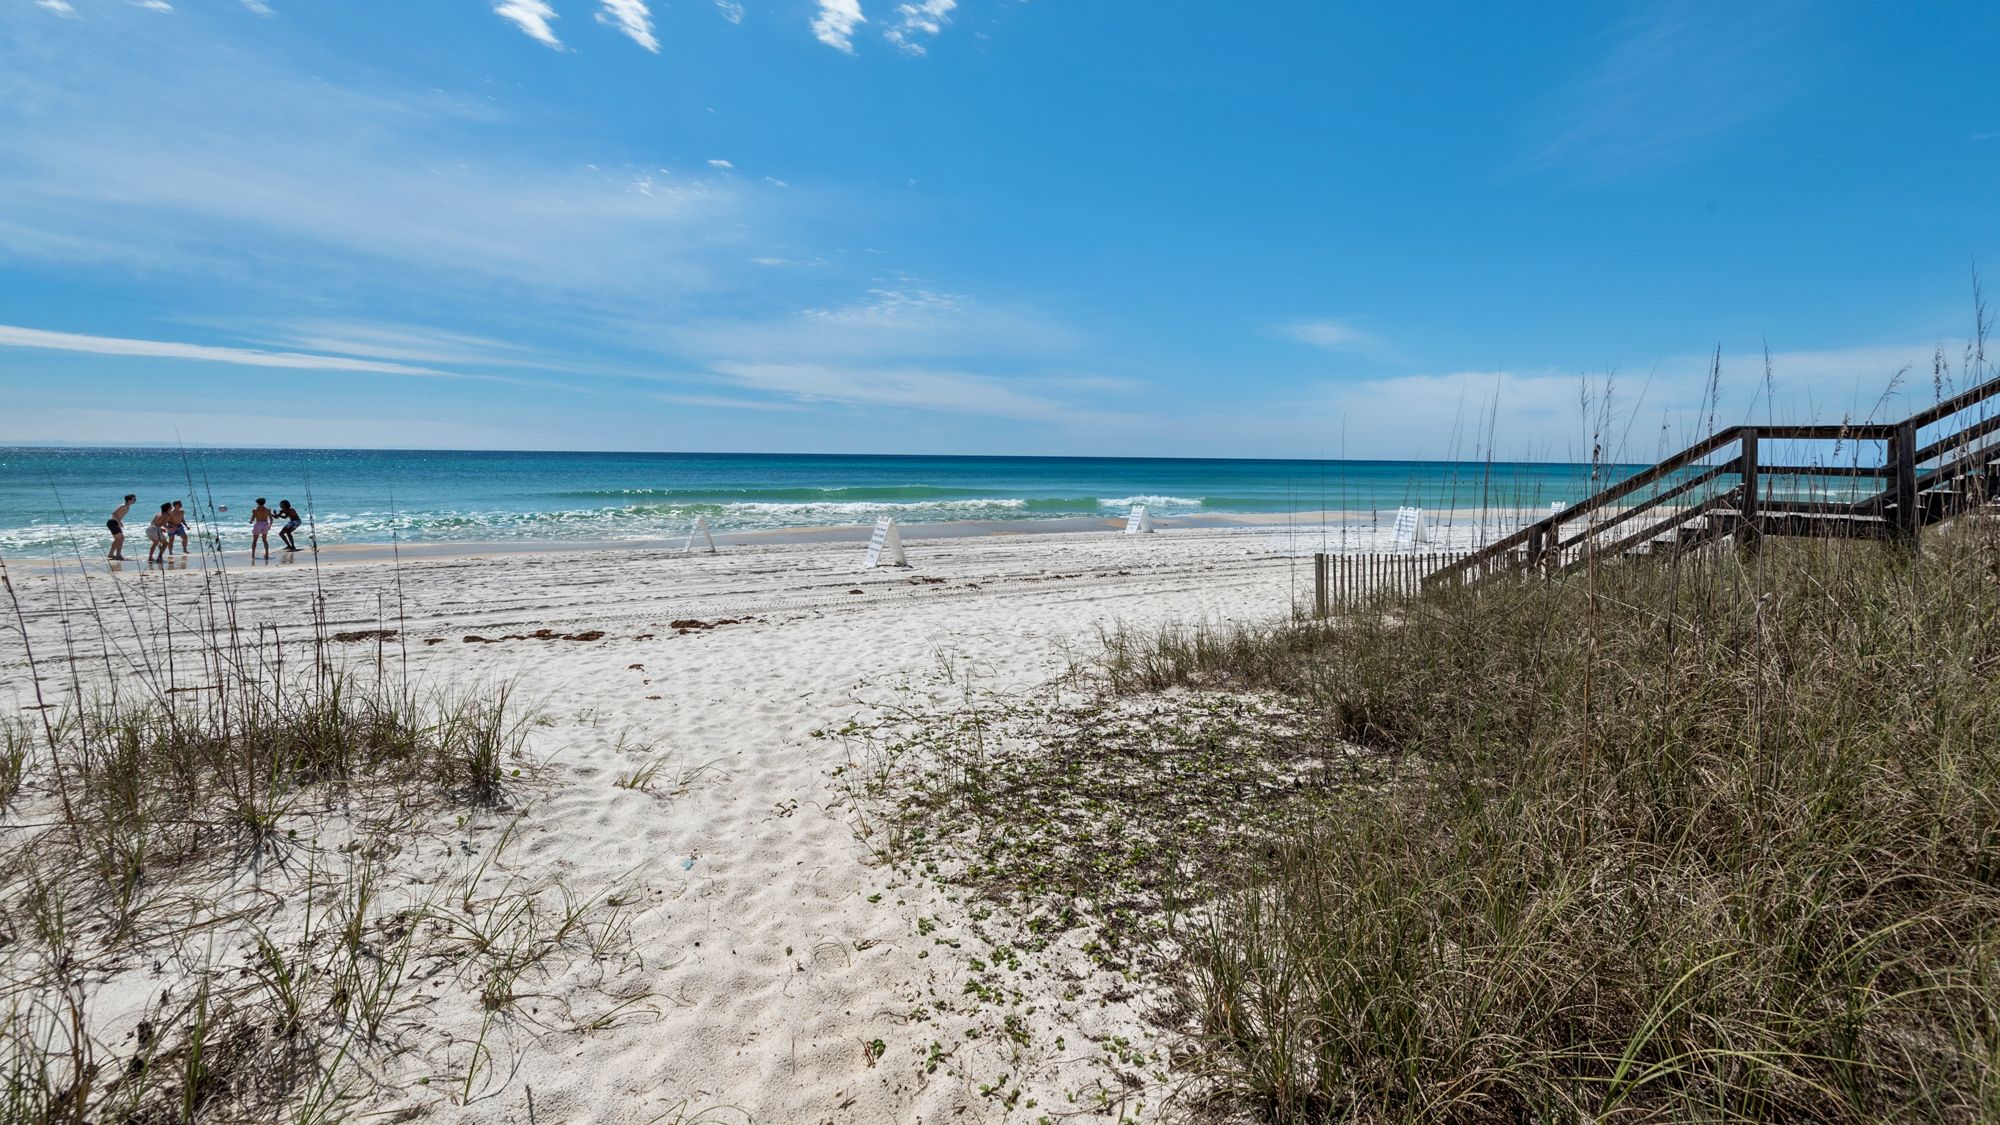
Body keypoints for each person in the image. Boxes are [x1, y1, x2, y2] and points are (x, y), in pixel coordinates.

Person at [106, 493, 135, 560]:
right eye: (134, 499)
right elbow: (114, 513)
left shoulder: (127, 506)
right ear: (129, 500)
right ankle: (118, 555)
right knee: (121, 538)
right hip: (112, 522)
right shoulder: (124, 505)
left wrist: (119, 522)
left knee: (118, 539)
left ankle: (111, 554)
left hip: (114, 522)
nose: (135, 501)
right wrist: (119, 522)